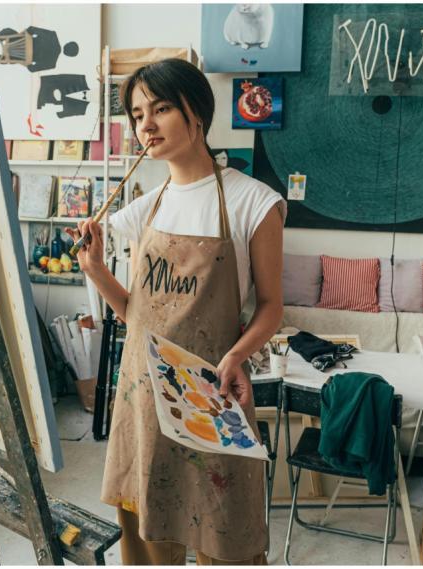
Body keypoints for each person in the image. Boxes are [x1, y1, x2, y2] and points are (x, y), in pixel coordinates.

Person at [66, 58, 285, 565]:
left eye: (161, 108)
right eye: (137, 113)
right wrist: (96, 269)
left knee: (222, 534)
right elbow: (138, 314)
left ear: (198, 115)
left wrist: (237, 355)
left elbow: (272, 307)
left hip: (211, 397)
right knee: (150, 538)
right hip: (144, 397)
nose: (146, 124)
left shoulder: (255, 202)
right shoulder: (145, 207)